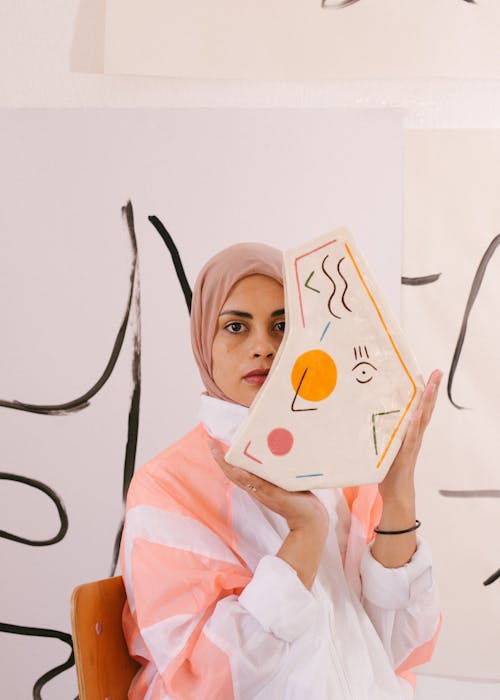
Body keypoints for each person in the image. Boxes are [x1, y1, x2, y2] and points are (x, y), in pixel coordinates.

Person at [120, 242, 442, 700]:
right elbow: (205, 681)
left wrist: (398, 496)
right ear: (203, 345)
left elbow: (398, 647)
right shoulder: (167, 486)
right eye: (235, 327)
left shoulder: (345, 461)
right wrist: (306, 534)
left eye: (283, 326)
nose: (263, 348)